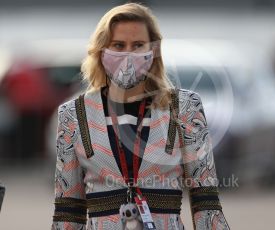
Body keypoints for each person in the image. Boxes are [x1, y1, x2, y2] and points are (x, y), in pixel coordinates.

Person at [51, 3, 230, 230]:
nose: (128, 54)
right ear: (101, 50)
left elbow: (206, 203)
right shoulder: (73, 115)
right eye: (118, 45)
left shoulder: (185, 108)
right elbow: (68, 209)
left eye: (138, 45)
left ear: (153, 50)